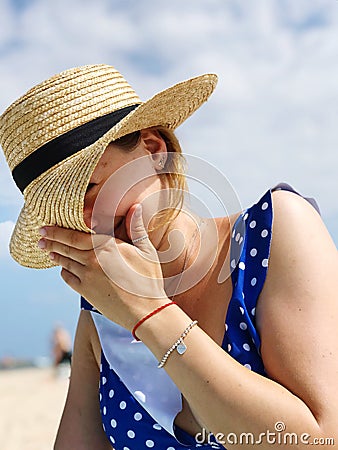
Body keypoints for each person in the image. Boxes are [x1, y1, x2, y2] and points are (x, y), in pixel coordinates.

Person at [0, 64, 337, 450]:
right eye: (66, 212)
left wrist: (150, 313)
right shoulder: (99, 312)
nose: (88, 222)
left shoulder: (277, 230)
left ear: (155, 151)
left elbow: (322, 440)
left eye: (90, 189)